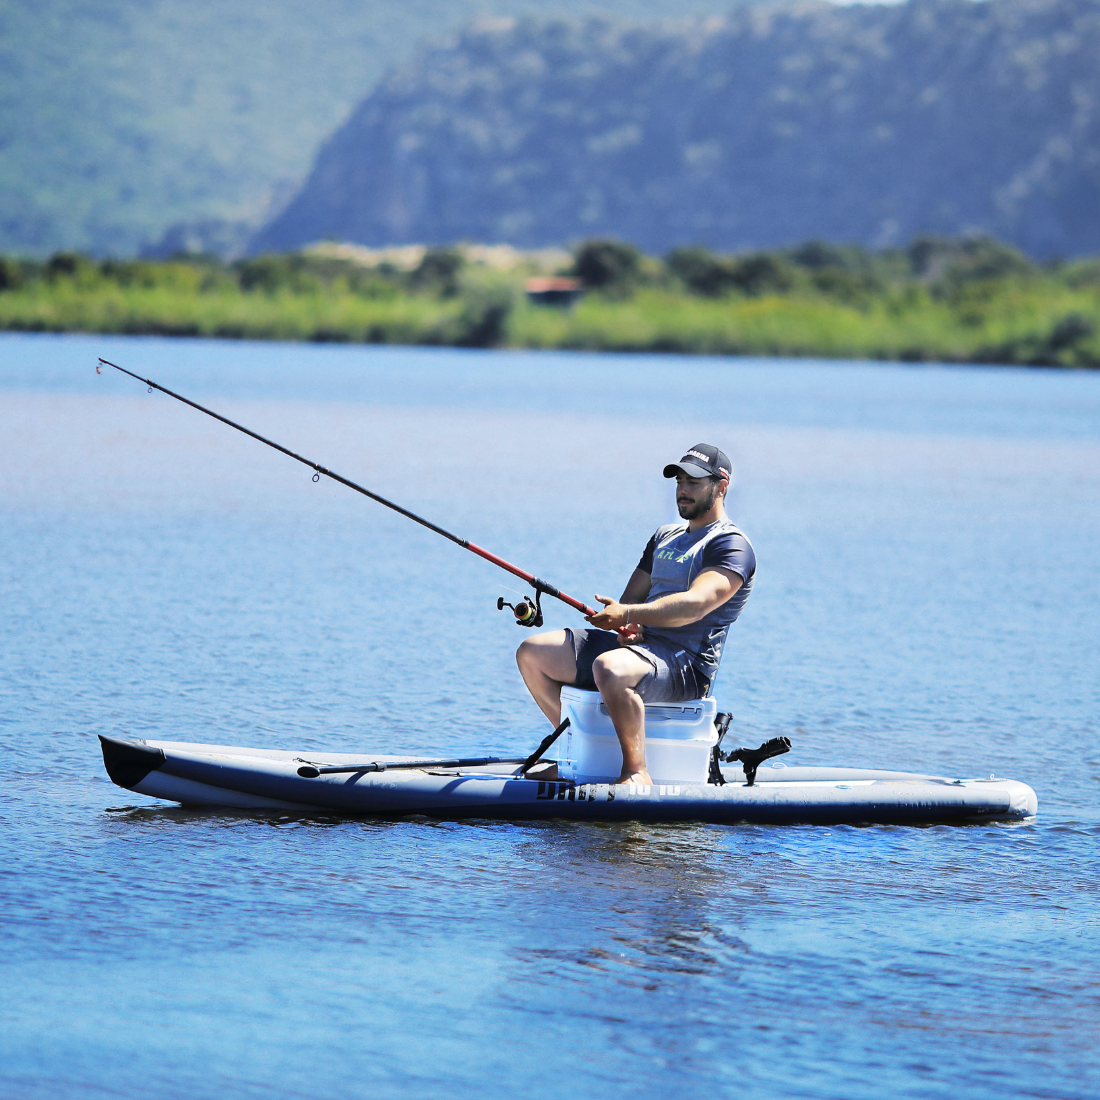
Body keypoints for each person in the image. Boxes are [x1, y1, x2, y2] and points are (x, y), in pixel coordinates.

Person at [516, 444, 756, 784]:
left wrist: (628, 612)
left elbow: (696, 604)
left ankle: (636, 771)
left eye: (694, 482)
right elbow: (631, 601)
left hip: (687, 664)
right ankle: (578, 753)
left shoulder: (730, 545)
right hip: (643, 651)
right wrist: (627, 623)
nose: (683, 490)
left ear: (721, 486)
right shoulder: (664, 537)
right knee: (532, 654)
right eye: (680, 481)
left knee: (610, 668)